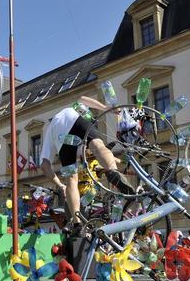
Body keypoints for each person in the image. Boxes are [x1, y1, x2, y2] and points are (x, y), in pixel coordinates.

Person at [40, 96, 134, 234]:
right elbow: (82, 98)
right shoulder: (71, 110)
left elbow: (44, 165)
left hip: (61, 139)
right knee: (97, 145)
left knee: (71, 180)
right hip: (74, 120)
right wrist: (105, 108)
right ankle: (114, 173)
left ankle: (77, 223)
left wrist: (60, 185)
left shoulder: (50, 130)